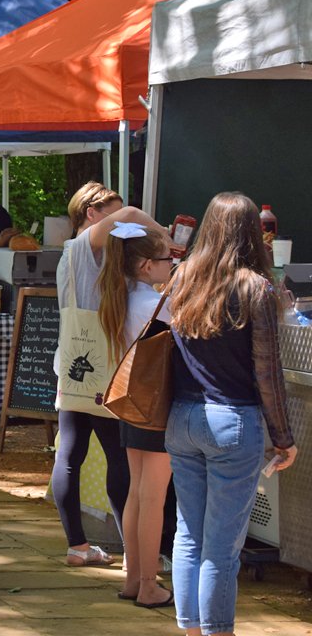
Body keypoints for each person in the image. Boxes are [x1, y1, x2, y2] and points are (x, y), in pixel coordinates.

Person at [167, 192, 297, 636]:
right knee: (221, 548)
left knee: (189, 536)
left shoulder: (182, 275)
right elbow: (268, 374)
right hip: (232, 424)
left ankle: (190, 629)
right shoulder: (255, 288)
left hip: (182, 419)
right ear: (251, 234)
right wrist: (284, 437)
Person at [51, 180, 164, 567]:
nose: (119, 222)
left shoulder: (79, 256)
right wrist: (164, 234)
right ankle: (136, 551)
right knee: (118, 458)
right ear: (92, 213)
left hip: (73, 365)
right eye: (110, 215)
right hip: (106, 366)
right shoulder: (85, 249)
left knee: (69, 452)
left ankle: (78, 546)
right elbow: (132, 214)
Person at [95, 222, 175, 607]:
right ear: (145, 265)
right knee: (152, 498)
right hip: (156, 405)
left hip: (129, 403)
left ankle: (133, 580)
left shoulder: (120, 296)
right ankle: (147, 584)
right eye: (167, 258)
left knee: (136, 493)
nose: (171, 264)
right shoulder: (154, 304)